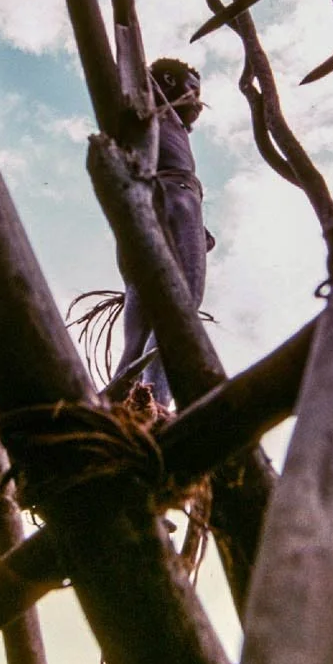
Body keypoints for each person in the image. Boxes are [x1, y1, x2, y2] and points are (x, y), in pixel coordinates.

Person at [116, 57, 211, 407]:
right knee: (182, 304)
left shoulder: (158, 123)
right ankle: (153, 402)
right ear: (168, 81)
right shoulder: (157, 106)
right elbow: (133, 65)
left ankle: (122, 404)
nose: (198, 100)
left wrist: (199, 232)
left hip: (143, 204)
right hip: (176, 195)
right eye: (192, 88)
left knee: (141, 322)